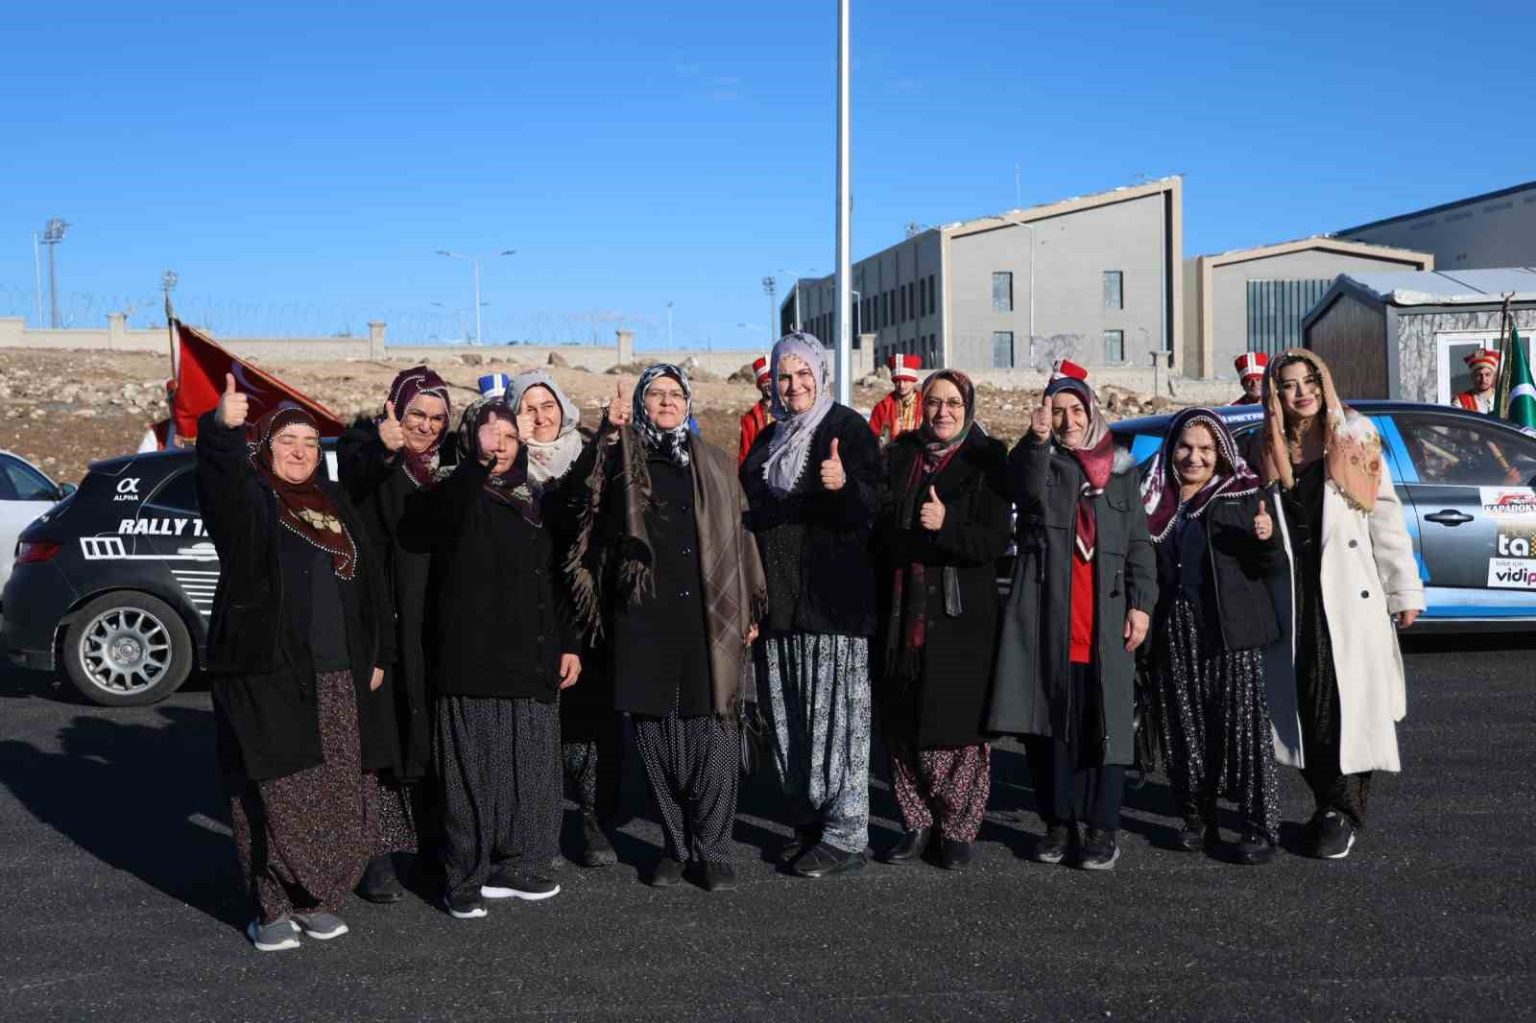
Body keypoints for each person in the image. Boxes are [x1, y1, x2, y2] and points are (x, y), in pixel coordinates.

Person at [196, 378, 398, 952]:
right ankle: (272, 907)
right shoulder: (253, 502)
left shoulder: (332, 505)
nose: (300, 451)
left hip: (337, 676)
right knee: (273, 793)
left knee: (332, 793)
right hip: (268, 674)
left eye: (310, 442)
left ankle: (315, 899)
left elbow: (369, 584)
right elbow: (219, 482)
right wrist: (220, 431)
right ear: (265, 448)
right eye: (287, 440)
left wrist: (377, 653)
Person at [567, 365, 766, 890]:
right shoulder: (621, 462)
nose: (666, 401)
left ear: (688, 402)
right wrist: (608, 437)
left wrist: (748, 608)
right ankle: (676, 847)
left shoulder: (716, 464)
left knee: (712, 736)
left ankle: (714, 849)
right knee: (656, 741)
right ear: (641, 403)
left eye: (675, 393)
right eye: (654, 394)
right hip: (645, 618)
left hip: (707, 616)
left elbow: (742, 539)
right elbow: (584, 504)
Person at [404, 396, 582, 919]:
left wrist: (567, 643)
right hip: (471, 659)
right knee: (472, 776)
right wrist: (478, 464)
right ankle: (465, 875)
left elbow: (555, 578)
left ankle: (523, 863)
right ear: (468, 441)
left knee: (531, 770)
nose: (499, 446)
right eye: (488, 436)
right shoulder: (448, 489)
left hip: (531, 658)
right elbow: (436, 523)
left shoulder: (535, 498)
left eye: (508, 436)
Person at [1249, 350, 1424, 859]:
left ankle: (1342, 811)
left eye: (1310, 381)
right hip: (1293, 593)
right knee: (1304, 704)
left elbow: (1384, 515)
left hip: (1349, 590)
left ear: (1324, 383)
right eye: (1288, 384)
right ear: (1274, 393)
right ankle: (1326, 800)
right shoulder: (1263, 445)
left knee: (1348, 704)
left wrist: (1403, 589)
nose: (1301, 392)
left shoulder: (1353, 434)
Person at [987, 360, 1156, 871]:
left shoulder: (1121, 471)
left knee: (1105, 727)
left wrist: (1141, 605)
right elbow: (1021, 489)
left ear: (1091, 411)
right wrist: (1036, 440)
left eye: (1075, 409)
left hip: (1105, 623)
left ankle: (1102, 828)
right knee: (1051, 732)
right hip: (1049, 622)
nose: (1067, 420)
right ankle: (1058, 823)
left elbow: (1139, 544)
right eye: (1057, 411)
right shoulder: (1041, 463)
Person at [742, 332, 880, 879]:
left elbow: (873, 508)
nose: (794, 385)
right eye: (784, 376)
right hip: (780, 608)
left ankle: (846, 834)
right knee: (790, 721)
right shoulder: (768, 440)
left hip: (832, 604)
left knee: (838, 723)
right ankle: (808, 823)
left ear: (821, 375)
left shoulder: (847, 429)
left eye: (803, 374)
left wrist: (844, 485)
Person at [874, 370, 1011, 870]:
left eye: (954, 403)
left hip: (959, 615)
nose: (943, 412)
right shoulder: (901, 455)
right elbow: (879, 526)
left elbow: (994, 541)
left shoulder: (987, 459)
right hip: (901, 614)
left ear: (967, 408)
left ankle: (957, 828)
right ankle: (915, 823)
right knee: (903, 723)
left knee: (956, 728)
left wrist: (947, 525)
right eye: (934, 402)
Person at [1140, 407, 1282, 865]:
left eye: (1205, 449)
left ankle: (1259, 826)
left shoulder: (1242, 493)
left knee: (1242, 729)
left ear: (1221, 453)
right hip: (1174, 628)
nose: (1194, 457)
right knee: (1184, 726)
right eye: (1185, 447)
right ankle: (1196, 820)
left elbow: (1268, 566)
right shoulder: (1155, 499)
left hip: (1229, 629)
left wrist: (1266, 538)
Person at [337, 366, 452, 901]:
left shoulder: (447, 467)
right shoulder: (369, 452)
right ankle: (375, 853)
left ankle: (431, 847)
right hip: (381, 619)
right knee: (378, 738)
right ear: (394, 410)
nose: (425, 426)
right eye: (416, 415)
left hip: (432, 621)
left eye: (437, 418)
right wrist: (383, 450)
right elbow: (354, 483)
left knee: (427, 734)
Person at [504, 369, 622, 868]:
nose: (539, 416)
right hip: (528, 608)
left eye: (547, 405)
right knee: (537, 722)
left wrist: (607, 437)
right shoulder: (503, 465)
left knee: (589, 719)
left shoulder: (587, 455)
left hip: (589, 608)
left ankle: (594, 819)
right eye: (527, 408)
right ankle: (540, 822)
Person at [869, 353, 923, 444]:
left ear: (913, 381)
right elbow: (871, 440)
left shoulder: (926, 405)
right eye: (898, 381)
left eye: (905, 380)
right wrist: (890, 433)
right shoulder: (881, 408)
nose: (901, 385)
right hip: (891, 452)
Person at [738, 355, 774, 467]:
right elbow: (745, 454)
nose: (769, 386)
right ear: (760, 386)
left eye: (772, 381)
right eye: (765, 382)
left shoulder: (788, 413)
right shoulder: (750, 419)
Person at [1452, 349, 1499, 414]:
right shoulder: (1461, 401)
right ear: (1472, 377)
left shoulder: (1502, 398)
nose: (1483, 379)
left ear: (1494, 376)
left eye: (1487, 375)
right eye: (1478, 375)